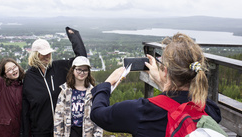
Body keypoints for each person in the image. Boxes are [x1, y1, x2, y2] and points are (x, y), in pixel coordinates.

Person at [90, 33, 222, 137]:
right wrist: (163, 81)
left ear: (165, 71)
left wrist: (106, 84)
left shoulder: (141, 111)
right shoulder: (207, 108)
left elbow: (98, 114)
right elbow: (181, 100)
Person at [21, 27, 87, 137]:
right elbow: (26, 112)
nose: (47, 55)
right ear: (35, 55)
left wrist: (74, 36)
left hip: (63, 130)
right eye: (43, 53)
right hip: (40, 133)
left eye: (49, 53)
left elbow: (81, 59)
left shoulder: (59, 67)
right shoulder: (29, 78)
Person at [54, 56, 103, 137]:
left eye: (85, 70)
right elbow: (58, 118)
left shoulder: (93, 92)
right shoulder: (65, 91)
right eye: (79, 69)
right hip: (70, 132)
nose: (82, 72)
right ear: (73, 70)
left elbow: (98, 119)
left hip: (87, 133)